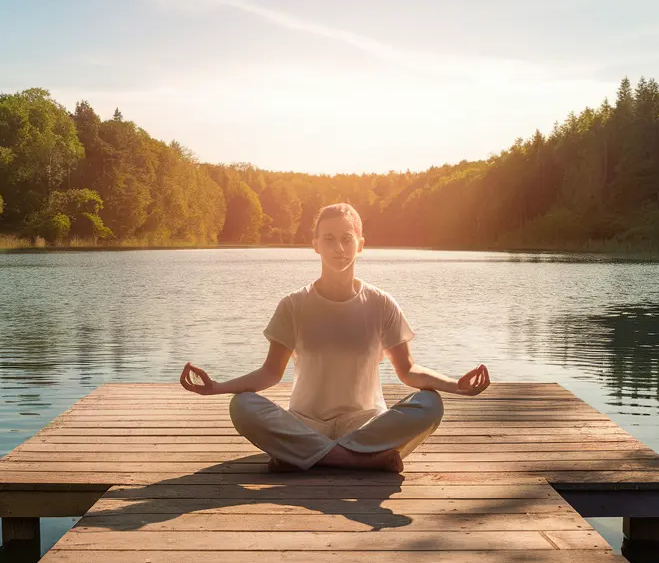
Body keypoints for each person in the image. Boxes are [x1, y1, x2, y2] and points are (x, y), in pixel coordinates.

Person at [179, 202, 490, 472]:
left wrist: (454, 385)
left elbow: (408, 370)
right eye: (329, 239)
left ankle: (304, 456)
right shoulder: (293, 305)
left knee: (430, 404)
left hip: (367, 424)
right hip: (304, 422)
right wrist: (217, 388)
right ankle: (358, 460)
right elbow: (271, 373)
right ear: (315, 245)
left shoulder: (381, 303)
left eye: (346, 239)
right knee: (242, 406)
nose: (339, 248)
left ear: (361, 244)